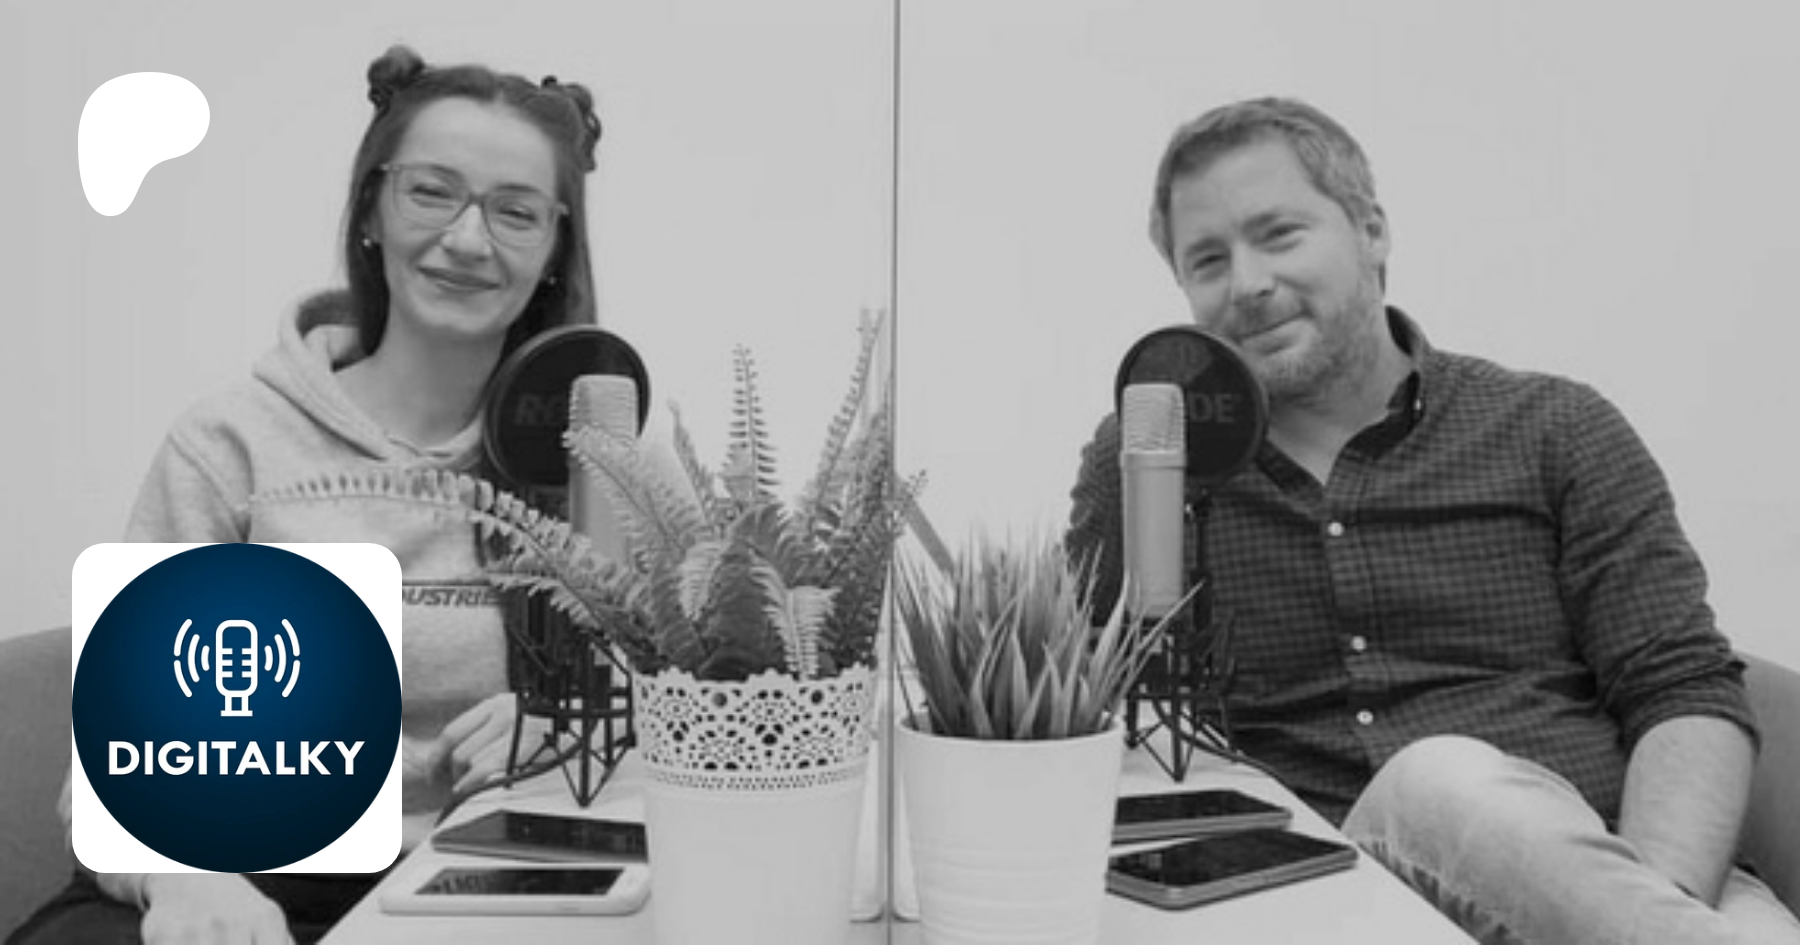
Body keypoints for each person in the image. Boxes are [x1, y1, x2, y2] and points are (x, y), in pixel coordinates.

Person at [1065, 97, 1800, 943]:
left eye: (1279, 234)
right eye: (1207, 259)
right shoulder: (1152, 459)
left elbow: (1682, 688)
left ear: (1371, 231)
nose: (1248, 282)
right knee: (1436, 781)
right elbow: (1075, 711)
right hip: (1344, 903)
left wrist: (1631, 905)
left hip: (1631, 870)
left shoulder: (1556, 428)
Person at [11, 44, 603, 945]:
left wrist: (569, 732)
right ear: (370, 208)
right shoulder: (232, 443)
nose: (468, 239)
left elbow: (689, 717)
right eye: (431, 192)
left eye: (515, 211)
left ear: (556, 247)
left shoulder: (595, 459)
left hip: (482, 891)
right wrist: (189, 883)